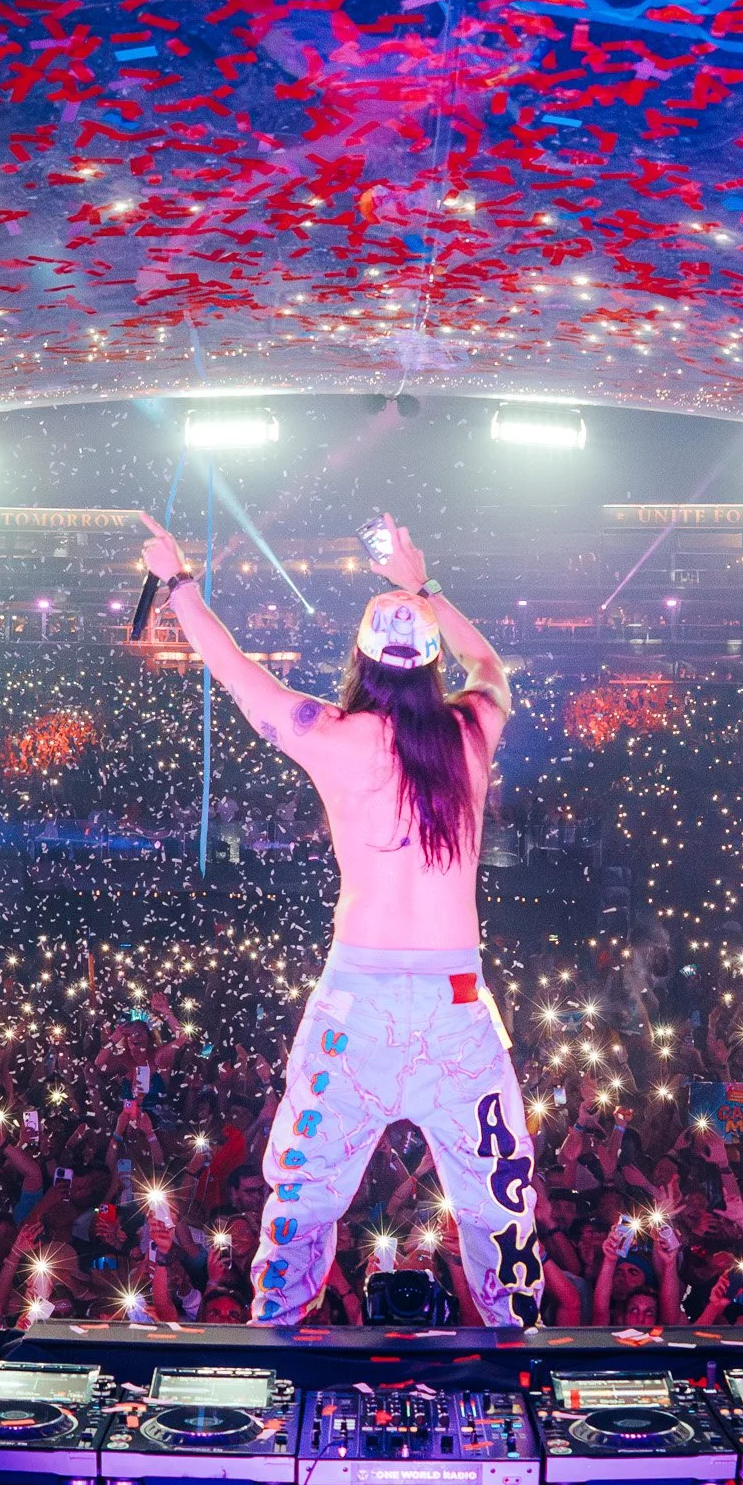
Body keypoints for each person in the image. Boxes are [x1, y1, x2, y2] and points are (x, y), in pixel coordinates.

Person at [133, 509, 542, 1326]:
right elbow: (491, 666)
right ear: (431, 666)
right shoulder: (472, 731)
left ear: (359, 659)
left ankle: (275, 1340)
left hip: (356, 1004)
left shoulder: (334, 735)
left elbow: (240, 674)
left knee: (304, 1190)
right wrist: (420, 585)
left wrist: (179, 584)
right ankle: (517, 1348)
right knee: (501, 1196)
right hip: (457, 1006)